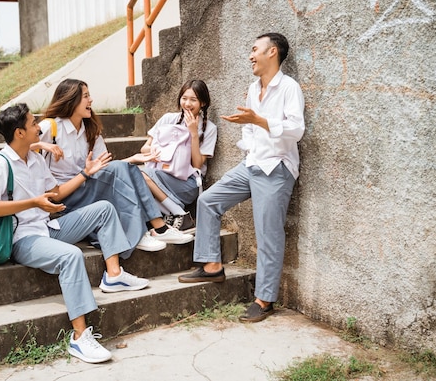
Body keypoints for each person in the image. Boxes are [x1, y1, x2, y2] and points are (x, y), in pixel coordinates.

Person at [0, 103, 151, 364]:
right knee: (72, 256)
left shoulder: (35, 158)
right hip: (22, 238)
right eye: (33, 123)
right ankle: (80, 338)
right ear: (19, 133)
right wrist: (34, 202)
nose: (39, 126)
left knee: (103, 209)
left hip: (48, 228)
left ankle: (114, 275)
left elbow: (56, 193)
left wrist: (85, 173)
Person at [178, 33, 305, 324]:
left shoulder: (289, 87)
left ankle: (265, 299)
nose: (250, 55)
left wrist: (258, 121)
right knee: (208, 201)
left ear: (272, 52)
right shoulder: (252, 87)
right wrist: (250, 133)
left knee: (268, 233)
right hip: (252, 164)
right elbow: (249, 133)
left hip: (276, 169)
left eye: (255, 50)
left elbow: (296, 130)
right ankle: (211, 265)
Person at [32, 78, 194, 252]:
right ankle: (144, 232)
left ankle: (158, 228)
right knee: (120, 170)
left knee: (129, 169)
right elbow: (17, 148)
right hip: (67, 197)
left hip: (88, 186)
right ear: (71, 100)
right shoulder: (51, 126)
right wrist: (41, 144)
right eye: (86, 96)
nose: (91, 100)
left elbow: (104, 167)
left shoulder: (90, 130)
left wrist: (133, 158)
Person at [139, 79, 217, 229]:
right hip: (160, 173)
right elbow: (144, 148)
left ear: (203, 103)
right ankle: (175, 214)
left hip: (187, 183)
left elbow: (197, 165)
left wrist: (194, 134)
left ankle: (176, 213)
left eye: (193, 100)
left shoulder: (209, 128)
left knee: (140, 176)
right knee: (136, 177)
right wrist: (157, 150)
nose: (187, 104)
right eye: (184, 98)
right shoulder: (168, 119)